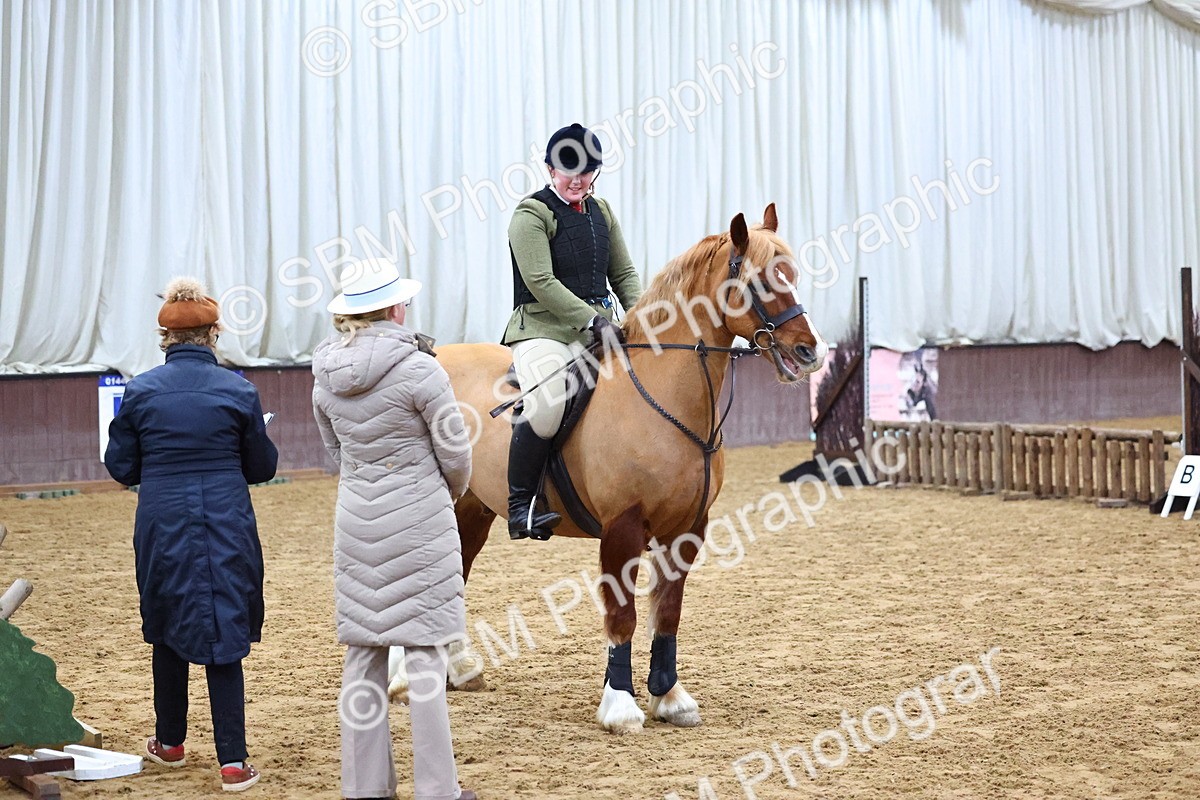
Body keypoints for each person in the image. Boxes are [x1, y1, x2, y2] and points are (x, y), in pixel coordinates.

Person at [311, 258, 478, 800]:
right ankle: (437, 790)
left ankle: (365, 789)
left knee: (363, 652)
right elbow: (455, 452)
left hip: (356, 518)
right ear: (394, 307)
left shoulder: (324, 377)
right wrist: (445, 490)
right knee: (425, 651)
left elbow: (335, 450)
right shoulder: (423, 369)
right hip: (419, 519)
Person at [104, 277, 277, 793]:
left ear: (165, 338)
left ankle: (171, 743)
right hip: (225, 512)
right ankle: (233, 763)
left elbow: (120, 465)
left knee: (167, 615)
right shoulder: (239, 389)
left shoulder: (139, 391)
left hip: (161, 516)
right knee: (224, 623)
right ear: (214, 333)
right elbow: (262, 466)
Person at [502, 122, 644, 540]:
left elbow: (624, 273)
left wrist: (642, 318)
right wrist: (592, 320)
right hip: (543, 330)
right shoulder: (531, 215)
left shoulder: (602, 212)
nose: (578, 179)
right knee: (547, 405)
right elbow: (542, 282)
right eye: (568, 170)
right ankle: (520, 507)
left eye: (587, 170)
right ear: (550, 169)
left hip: (600, 328)